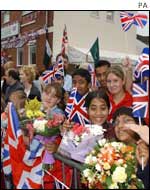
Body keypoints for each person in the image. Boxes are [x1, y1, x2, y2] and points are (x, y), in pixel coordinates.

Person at [112, 107, 149, 189]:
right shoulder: (108, 154)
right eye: (116, 122)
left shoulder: (146, 151)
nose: (120, 126)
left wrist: (144, 166)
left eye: (127, 120)